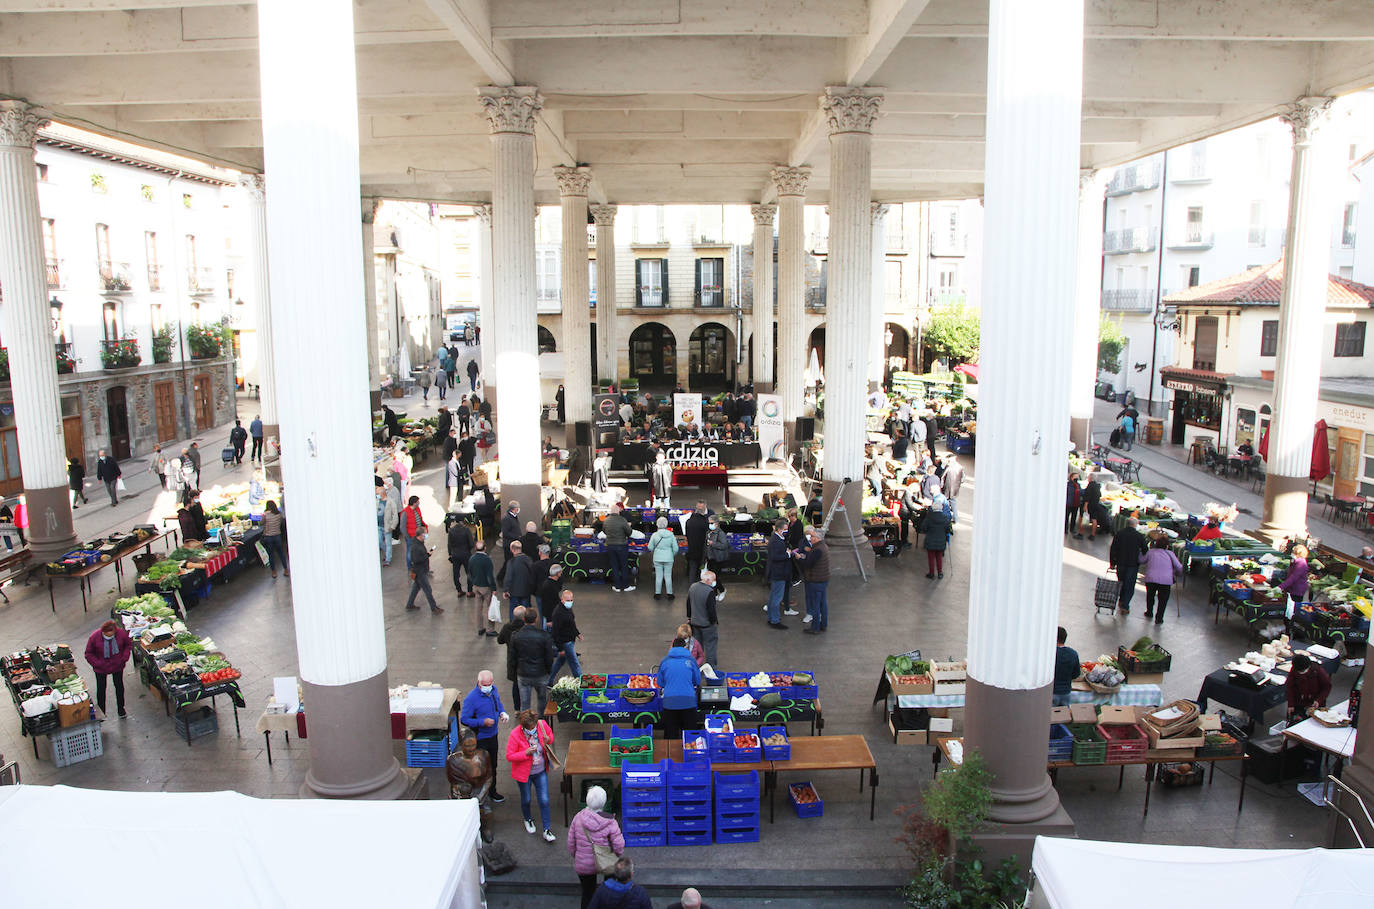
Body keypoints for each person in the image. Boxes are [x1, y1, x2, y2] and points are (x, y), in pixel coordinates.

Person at [569, 785, 625, 909]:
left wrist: (577, 856)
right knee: (608, 892)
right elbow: (619, 846)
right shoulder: (611, 823)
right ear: (604, 802)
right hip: (606, 862)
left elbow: (571, 843)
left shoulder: (578, 818)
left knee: (588, 893)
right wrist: (616, 856)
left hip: (583, 864)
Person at [506, 709, 558, 842]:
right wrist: (525, 753)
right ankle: (528, 819)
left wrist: (548, 739)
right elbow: (509, 756)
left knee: (544, 800)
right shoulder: (515, 734)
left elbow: (550, 736)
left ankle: (547, 829)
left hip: (540, 771)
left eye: (534, 727)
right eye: (529, 728)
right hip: (524, 774)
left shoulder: (541, 725)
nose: (533, 729)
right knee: (526, 799)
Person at [460, 671, 509, 803]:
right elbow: (464, 719)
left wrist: (502, 713)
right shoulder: (471, 698)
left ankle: (492, 791)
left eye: (490, 684)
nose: (488, 686)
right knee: (480, 767)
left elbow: (497, 703)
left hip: (493, 735)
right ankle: (480, 795)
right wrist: (482, 722)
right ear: (479, 683)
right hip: (481, 738)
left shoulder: (493, 690)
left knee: (493, 765)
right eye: (485, 684)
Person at [446, 730, 495, 843]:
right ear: (461, 745)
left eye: (473, 744)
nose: (471, 748)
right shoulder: (452, 760)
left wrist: (480, 796)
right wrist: (460, 792)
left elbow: (489, 777)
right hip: (462, 791)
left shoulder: (484, 755)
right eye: (467, 746)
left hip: (479, 789)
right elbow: (452, 781)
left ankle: (486, 828)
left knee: (486, 811)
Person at [657, 633, 701, 742]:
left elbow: (660, 683)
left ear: (672, 646)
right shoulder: (691, 661)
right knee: (690, 737)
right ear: (685, 647)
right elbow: (697, 681)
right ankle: (690, 756)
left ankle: (671, 756)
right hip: (688, 702)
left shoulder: (664, 661)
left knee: (670, 736)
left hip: (670, 703)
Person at [84, 619, 132, 718]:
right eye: (107, 633)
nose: (110, 635)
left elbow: (128, 644)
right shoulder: (94, 637)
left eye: (112, 633)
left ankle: (121, 709)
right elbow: (88, 653)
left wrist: (124, 658)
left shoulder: (121, 634)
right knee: (101, 689)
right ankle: (101, 712)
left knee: (119, 686)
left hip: (117, 665)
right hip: (101, 668)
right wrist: (97, 663)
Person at [795, 525, 831, 633]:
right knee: (822, 603)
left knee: (815, 605)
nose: (810, 538)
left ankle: (815, 628)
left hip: (816, 580)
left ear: (818, 538)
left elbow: (808, 564)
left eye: (813, 537)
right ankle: (823, 624)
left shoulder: (817, 550)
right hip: (823, 579)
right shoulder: (823, 547)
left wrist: (800, 558)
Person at [1140, 535, 1183, 624]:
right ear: (1167, 545)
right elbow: (1179, 567)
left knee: (1150, 596)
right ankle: (1159, 618)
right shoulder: (1170, 554)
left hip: (1151, 578)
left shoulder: (1151, 552)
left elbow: (1141, 560)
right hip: (1166, 580)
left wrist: (1139, 553)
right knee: (1163, 599)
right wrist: (1177, 574)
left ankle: (1149, 612)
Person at [1109, 516, 1147, 614]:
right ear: (1135, 525)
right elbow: (1145, 550)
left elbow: (1113, 548)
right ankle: (1125, 605)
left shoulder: (1119, 534)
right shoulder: (1139, 536)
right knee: (1129, 585)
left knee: (1121, 582)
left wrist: (1112, 563)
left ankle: (1121, 601)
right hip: (1132, 564)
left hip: (1120, 563)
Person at [688, 570, 722, 668]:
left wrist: (690, 618)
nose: (714, 582)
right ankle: (711, 669)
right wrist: (713, 621)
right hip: (707, 625)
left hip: (695, 623)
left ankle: (696, 668)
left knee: (697, 648)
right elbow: (711, 610)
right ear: (707, 580)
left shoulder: (692, 587)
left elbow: (688, 604)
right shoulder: (709, 591)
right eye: (713, 580)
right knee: (711, 647)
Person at [497, 605, 528, 711]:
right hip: (525, 660)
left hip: (512, 661)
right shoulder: (526, 628)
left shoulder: (507, 627)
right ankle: (526, 708)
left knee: (516, 685)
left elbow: (500, 640)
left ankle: (517, 709)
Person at [1285, 653, 1332, 721]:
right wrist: (1291, 704)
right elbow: (1290, 687)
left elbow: (1327, 687)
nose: (1301, 673)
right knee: (1295, 721)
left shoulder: (1318, 670)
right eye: (1299, 672)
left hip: (1315, 702)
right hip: (1299, 701)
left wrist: (1318, 700)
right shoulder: (1294, 669)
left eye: (1303, 671)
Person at [448, 519, 477, 625]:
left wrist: (450, 554)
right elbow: (471, 543)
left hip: (455, 554)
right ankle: (469, 591)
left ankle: (459, 590)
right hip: (465, 554)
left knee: (456, 573)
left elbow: (449, 544)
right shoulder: (466, 530)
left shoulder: (451, 531)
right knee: (469, 572)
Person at [405, 529, 442, 613]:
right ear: (420, 535)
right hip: (420, 571)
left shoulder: (419, 543)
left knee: (415, 588)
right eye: (425, 534)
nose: (426, 535)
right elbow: (416, 560)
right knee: (427, 589)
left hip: (420, 570)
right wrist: (427, 555)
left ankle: (409, 604)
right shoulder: (416, 547)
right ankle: (434, 607)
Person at [765, 518, 792, 629]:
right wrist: (788, 554)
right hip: (779, 573)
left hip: (776, 572)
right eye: (785, 529)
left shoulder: (776, 539)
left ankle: (771, 618)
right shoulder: (776, 541)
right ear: (780, 529)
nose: (787, 531)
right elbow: (775, 557)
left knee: (773, 596)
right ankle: (775, 620)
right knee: (777, 597)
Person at [602, 502, 635, 592]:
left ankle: (617, 586)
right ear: (618, 511)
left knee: (615, 566)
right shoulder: (622, 520)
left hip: (610, 545)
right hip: (622, 545)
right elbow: (629, 532)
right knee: (624, 566)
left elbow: (604, 531)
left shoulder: (606, 520)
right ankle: (626, 586)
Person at [918, 495, 953, 579]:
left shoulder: (929, 517)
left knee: (931, 558)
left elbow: (923, 528)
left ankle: (931, 573)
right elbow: (948, 529)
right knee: (939, 557)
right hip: (941, 541)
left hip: (930, 540)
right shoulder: (945, 518)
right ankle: (940, 572)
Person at [648, 516, 679, 601]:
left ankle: (657, 593)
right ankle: (670, 594)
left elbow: (650, 547)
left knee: (658, 576)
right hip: (669, 558)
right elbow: (676, 548)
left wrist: (655, 550)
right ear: (666, 524)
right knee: (668, 576)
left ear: (657, 524)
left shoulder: (654, 535)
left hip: (657, 558)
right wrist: (671, 554)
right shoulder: (671, 535)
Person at [502, 540, 535, 614]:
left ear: (512, 549)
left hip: (514, 592)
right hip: (526, 591)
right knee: (526, 612)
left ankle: (515, 624)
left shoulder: (511, 562)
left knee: (514, 612)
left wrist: (505, 590)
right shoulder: (528, 559)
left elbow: (508, 577)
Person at [260, 500, 288, 578]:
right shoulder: (279, 514)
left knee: (271, 555)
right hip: (277, 536)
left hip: (268, 537)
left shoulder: (265, 515)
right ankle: (286, 569)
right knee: (281, 554)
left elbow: (261, 523)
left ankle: (274, 572)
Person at [1052, 627, 1079, 707]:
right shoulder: (1073, 654)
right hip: (1066, 692)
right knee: (1063, 715)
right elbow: (1076, 674)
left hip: (1052, 692)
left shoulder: (1051, 654)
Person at [684, 501, 708, 583]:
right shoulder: (704, 522)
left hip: (691, 549)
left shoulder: (688, 522)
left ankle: (692, 586)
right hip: (702, 549)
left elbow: (686, 534)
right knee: (703, 568)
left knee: (692, 568)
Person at [401, 495, 427, 570]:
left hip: (418, 535)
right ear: (414, 503)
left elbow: (420, 520)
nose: (419, 503)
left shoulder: (417, 509)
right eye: (417, 502)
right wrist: (407, 536)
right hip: (411, 536)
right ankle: (410, 566)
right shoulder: (405, 512)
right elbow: (402, 526)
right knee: (410, 551)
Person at [537, 561, 565, 630]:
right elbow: (547, 604)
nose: (561, 573)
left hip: (552, 613)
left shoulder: (552, 583)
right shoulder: (549, 586)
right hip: (550, 616)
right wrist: (549, 620)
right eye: (560, 572)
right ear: (557, 573)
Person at [377, 484, 399, 567]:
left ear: (382, 493)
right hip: (379, 526)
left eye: (377, 494)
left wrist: (393, 526)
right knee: (379, 541)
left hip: (387, 526)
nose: (376, 495)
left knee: (388, 543)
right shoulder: (377, 501)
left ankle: (388, 559)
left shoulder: (390, 502)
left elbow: (395, 515)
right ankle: (387, 554)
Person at [941, 455, 965, 524]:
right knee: (953, 503)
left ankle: (946, 518)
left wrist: (941, 486)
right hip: (955, 489)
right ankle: (956, 519)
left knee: (945, 503)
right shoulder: (960, 467)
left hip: (947, 488)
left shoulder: (948, 467)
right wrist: (958, 484)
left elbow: (942, 477)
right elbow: (963, 478)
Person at [1066, 473, 1084, 538]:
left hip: (1075, 503)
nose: (1077, 478)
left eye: (1077, 477)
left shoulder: (1078, 485)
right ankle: (1065, 529)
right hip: (1069, 503)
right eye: (1075, 477)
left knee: (1074, 517)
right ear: (1071, 477)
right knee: (1066, 517)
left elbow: (1081, 492)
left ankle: (1072, 529)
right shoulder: (1068, 485)